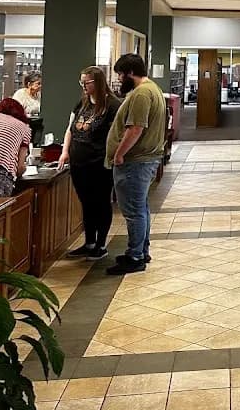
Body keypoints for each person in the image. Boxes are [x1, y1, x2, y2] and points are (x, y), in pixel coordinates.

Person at [105, 53, 166, 275]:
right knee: (140, 208)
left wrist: (119, 154)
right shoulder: (152, 89)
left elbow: (135, 128)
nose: (120, 79)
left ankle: (135, 256)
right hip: (143, 160)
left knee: (133, 211)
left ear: (130, 72)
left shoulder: (141, 94)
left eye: (121, 74)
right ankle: (141, 249)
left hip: (135, 161)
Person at [59, 67, 121, 262]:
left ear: (98, 82)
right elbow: (70, 129)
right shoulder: (82, 103)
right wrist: (65, 151)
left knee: (101, 202)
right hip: (79, 163)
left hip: (99, 164)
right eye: (82, 82)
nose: (84, 86)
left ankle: (101, 244)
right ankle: (89, 242)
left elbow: (116, 135)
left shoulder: (112, 106)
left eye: (87, 82)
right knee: (86, 203)